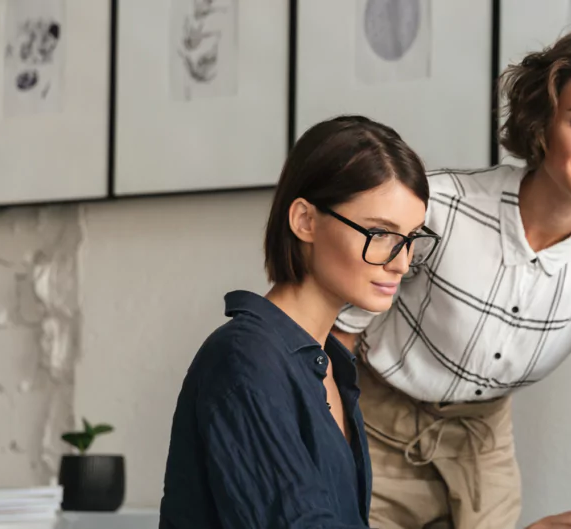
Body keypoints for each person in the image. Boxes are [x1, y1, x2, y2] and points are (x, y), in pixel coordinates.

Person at [331, 30, 571, 529]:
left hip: (483, 446)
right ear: (543, 124)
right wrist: (328, 453)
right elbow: (338, 333)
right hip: (373, 426)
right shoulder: (442, 206)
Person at [158, 115, 438, 528]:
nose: (401, 262)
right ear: (305, 220)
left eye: (412, 238)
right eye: (380, 233)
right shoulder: (245, 361)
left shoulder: (329, 363)